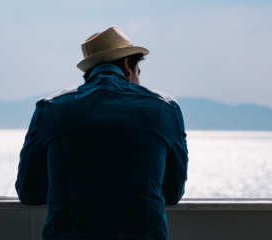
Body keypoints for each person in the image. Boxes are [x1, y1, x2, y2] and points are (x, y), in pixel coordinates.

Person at [16, 25, 188, 240]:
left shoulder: (50, 109)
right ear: (128, 64)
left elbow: (29, 192)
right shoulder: (166, 109)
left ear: (89, 72)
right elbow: (172, 194)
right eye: (139, 72)